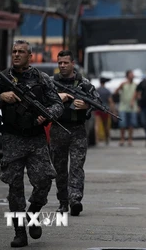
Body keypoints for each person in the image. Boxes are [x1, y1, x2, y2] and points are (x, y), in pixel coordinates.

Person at [0, 40, 63, 247]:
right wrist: (2, 98)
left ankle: (33, 213)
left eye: (21, 52)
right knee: (15, 188)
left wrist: (46, 116)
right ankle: (20, 233)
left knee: (45, 179)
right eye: (14, 51)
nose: (17, 55)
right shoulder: (1, 79)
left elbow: (57, 104)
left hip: (36, 139)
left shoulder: (42, 79)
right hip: (12, 139)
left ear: (30, 56)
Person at [49, 50, 99, 216]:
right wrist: (59, 97)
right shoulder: (51, 82)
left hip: (77, 130)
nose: (62, 66)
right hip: (58, 128)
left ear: (73, 64)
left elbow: (97, 101)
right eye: (60, 63)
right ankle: (63, 202)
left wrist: (86, 106)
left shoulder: (83, 82)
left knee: (77, 167)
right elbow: (41, 100)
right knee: (60, 168)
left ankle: (75, 199)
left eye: (65, 63)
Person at [114, 70, 138, 146]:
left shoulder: (135, 85)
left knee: (131, 124)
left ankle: (130, 139)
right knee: (122, 124)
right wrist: (120, 87)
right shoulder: (123, 84)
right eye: (131, 74)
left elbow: (137, 95)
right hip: (123, 107)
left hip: (132, 107)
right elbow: (115, 93)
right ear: (127, 76)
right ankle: (122, 139)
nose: (132, 76)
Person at [95, 76, 115, 145]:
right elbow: (111, 101)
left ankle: (96, 139)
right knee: (106, 125)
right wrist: (113, 111)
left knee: (97, 125)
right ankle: (107, 138)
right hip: (105, 109)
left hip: (97, 108)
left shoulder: (97, 90)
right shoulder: (107, 91)